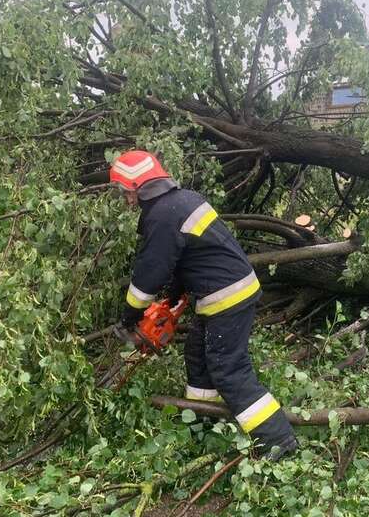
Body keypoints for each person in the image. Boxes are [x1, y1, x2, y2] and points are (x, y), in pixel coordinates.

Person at [109, 149, 298, 460]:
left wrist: (130, 317)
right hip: (224, 292)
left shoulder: (162, 215)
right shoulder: (182, 201)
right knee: (197, 354)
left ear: (138, 187)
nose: (125, 200)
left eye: (124, 192)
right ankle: (203, 424)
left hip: (228, 296)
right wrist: (173, 298)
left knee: (227, 368)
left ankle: (278, 440)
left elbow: (149, 274)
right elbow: (191, 256)